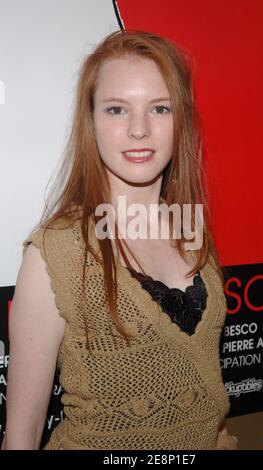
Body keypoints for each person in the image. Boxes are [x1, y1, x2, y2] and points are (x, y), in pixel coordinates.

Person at [1, 29, 237, 450]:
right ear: (90, 121)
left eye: (159, 108)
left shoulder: (191, 232)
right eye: (117, 109)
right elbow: (22, 434)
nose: (140, 130)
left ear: (179, 118)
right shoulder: (55, 255)